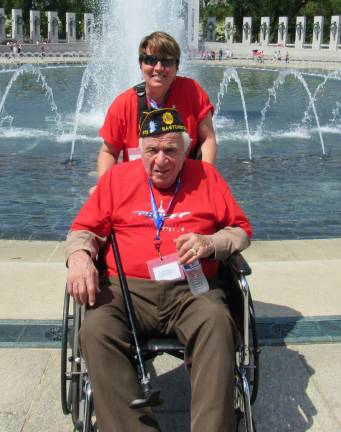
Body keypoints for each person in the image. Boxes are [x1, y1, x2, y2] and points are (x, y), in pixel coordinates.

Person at [65, 108, 252, 432]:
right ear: (140, 150)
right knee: (95, 332)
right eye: (152, 150)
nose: (161, 160)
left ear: (185, 148)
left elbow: (240, 231)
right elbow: (84, 230)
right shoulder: (117, 178)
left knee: (217, 323)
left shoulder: (207, 178)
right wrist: (80, 257)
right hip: (126, 291)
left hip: (192, 290)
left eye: (170, 150)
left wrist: (211, 243)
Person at [96, 31, 217, 179]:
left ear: (177, 67)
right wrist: (103, 187)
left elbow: (208, 139)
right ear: (140, 65)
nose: (159, 68)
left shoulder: (192, 92)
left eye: (167, 61)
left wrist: (205, 178)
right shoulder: (124, 104)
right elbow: (109, 152)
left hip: (187, 184)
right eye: (150, 60)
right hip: (139, 187)